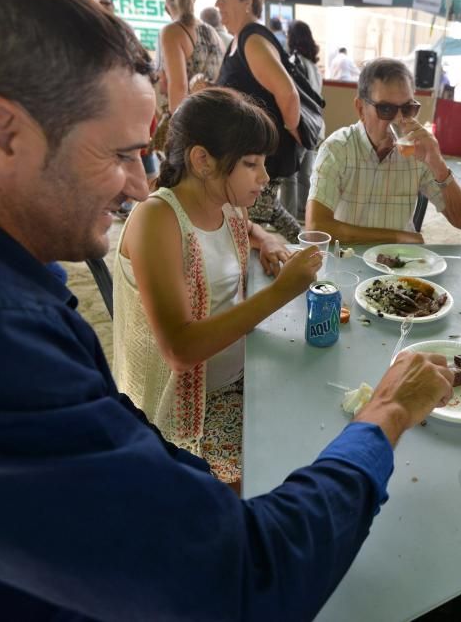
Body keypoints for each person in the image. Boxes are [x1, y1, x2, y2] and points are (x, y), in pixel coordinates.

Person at [0, 0, 455, 619]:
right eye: (122, 153)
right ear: (0, 133)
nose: (136, 184)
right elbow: (241, 576)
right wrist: (384, 417)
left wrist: (189, 486)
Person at [113, 88, 319, 492]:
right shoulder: (157, 220)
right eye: (251, 164)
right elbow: (179, 350)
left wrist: (268, 241)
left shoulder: (228, 204)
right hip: (184, 412)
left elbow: (246, 228)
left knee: (314, 417)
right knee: (273, 478)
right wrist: (280, 292)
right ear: (202, 160)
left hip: (241, 376)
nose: (263, 177)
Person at [306, 58, 461, 243]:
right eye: (385, 109)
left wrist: (438, 165)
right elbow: (316, 229)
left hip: (399, 264)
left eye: (408, 109)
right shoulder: (337, 149)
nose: (399, 119)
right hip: (348, 262)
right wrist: (397, 237)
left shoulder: (418, 153)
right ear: (361, 109)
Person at [212, 0, 302, 243]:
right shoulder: (238, 39)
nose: (217, 5)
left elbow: (288, 93)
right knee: (257, 213)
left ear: (247, 1)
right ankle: (307, 246)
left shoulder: (253, 40)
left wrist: (288, 129)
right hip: (246, 148)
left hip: (261, 152)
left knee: (254, 217)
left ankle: (307, 249)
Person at [158, 0, 223, 114]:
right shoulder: (213, 33)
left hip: (190, 123)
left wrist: (175, 130)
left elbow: (179, 88)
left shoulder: (171, 32)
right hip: (215, 119)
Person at [285, 19, 322, 220]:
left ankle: (289, 214)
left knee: (289, 174)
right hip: (316, 125)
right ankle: (304, 213)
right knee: (306, 173)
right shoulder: (315, 67)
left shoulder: (294, 63)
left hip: (300, 124)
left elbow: (292, 95)